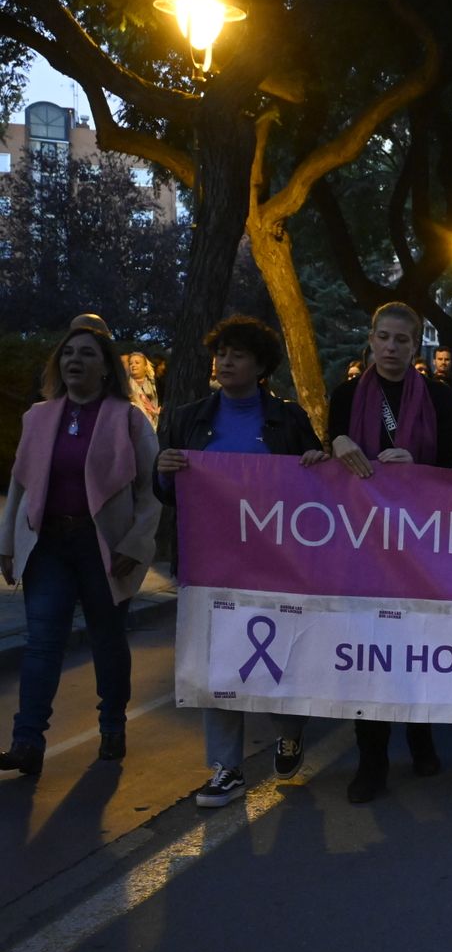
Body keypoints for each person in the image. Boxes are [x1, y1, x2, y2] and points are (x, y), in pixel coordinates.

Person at [153, 317, 328, 805]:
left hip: (275, 563)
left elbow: (317, 489)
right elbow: (169, 492)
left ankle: (289, 729)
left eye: (238, 355)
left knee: (278, 657)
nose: (225, 362)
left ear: (261, 366)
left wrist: (315, 462)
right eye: (221, 353)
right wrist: (163, 471)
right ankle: (225, 767)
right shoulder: (188, 417)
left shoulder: (287, 420)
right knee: (219, 664)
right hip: (210, 564)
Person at [0, 327, 159, 775]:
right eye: (68, 352)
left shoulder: (128, 419)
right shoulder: (38, 417)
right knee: (41, 644)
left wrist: (136, 543)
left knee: (107, 639)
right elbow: (19, 485)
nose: (75, 360)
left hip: (104, 546)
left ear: (106, 367)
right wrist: (7, 544)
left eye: (87, 354)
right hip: (47, 545)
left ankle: (112, 726)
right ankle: (27, 741)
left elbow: (152, 490)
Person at [326, 302, 452, 803]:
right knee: (370, 650)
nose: (390, 347)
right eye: (383, 337)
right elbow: (330, 453)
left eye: (401, 340)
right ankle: (372, 760)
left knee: (415, 646)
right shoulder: (346, 394)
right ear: (371, 339)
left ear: (415, 345)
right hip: (362, 541)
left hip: (420, 544)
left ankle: (420, 734)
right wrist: (335, 442)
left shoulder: (439, 397)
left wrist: (419, 466)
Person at [126, 352, 161, 427]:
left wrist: (158, 411)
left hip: (156, 425)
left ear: (145, 366)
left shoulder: (156, 383)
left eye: (137, 363)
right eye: (130, 364)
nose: (133, 365)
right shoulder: (125, 386)